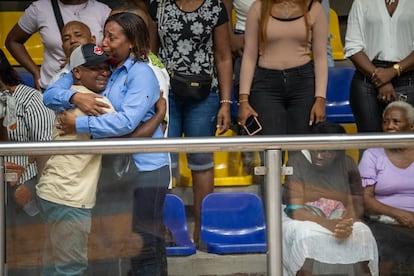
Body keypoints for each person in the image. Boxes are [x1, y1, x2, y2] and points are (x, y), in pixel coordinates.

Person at [43, 12, 170, 275]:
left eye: (112, 37)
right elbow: (52, 93)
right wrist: (76, 98)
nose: (105, 42)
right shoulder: (103, 67)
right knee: (116, 243)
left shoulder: (142, 73)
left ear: (131, 42)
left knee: (145, 244)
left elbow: (126, 122)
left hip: (146, 168)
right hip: (116, 168)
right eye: (105, 35)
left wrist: (79, 124)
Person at [149, 0, 233, 244]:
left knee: (202, 161)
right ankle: (164, 231)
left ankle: (203, 231)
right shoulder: (159, 5)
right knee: (164, 162)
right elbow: (151, 56)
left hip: (205, 94)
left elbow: (224, 57)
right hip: (166, 94)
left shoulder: (215, 7)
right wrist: (154, 96)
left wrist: (226, 102)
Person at [36, 43, 117, 276]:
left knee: (54, 266)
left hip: (52, 192)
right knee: (70, 268)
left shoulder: (67, 97)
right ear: (77, 72)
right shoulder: (98, 103)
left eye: (106, 67)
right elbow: (127, 128)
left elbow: (52, 91)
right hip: (70, 197)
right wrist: (160, 112)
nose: (103, 72)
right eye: (94, 68)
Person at [282, 122, 378, 276]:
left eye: (326, 152)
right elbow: (295, 210)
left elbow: (357, 203)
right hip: (305, 218)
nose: (319, 156)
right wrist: (330, 225)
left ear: (338, 150)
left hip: (340, 218)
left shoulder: (347, 163)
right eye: (315, 150)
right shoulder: (296, 162)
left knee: (363, 233)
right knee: (307, 235)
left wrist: (348, 221)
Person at [0, 49, 55, 274]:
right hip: (4, 179)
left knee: (26, 256)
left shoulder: (31, 99)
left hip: (27, 184)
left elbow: (45, 150)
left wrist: (30, 188)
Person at [237, 0, 327, 136]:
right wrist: (243, 100)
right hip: (265, 86)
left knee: (301, 149)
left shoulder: (315, 8)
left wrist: (320, 99)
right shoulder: (258, 8)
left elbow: (321, 57)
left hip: (303, 85)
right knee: (270, 147)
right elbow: (249, 56)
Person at [358, 101, 414, 275]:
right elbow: (365, 199)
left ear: (412, 126)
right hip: (383, 220)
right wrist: (399, 214)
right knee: (387, 242)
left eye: (396, 122)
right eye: (385, 122)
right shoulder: (373, 154)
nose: (389, 126)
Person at [5, 0, 111, 90]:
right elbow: (13, 41)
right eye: (66, 38)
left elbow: (115, 48)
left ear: (93, 39)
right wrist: (36, 72)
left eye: (78, 35)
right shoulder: (40, 8)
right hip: (50, 85)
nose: (73, 40)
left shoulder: (103, 11)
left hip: (94, 88)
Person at [344, 0, 414, 133]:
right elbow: (353, 48)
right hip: (367, 75)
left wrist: (393, 71)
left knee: (406, 143)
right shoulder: (361, 2)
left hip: (408, 74)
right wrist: (380, 79)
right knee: (370, 143)